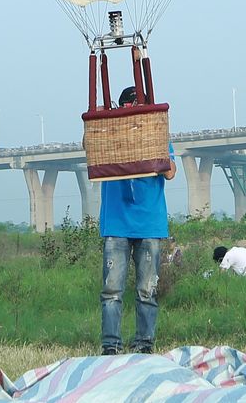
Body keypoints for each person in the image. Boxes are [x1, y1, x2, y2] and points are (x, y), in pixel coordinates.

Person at [98, 85, 175, 354]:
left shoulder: (155, 134)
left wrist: (155, 144)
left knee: (147, 290)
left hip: (149, 224)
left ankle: (144, 344)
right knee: (111, 290)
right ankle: (111, 345)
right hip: (117, 224)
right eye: (129, 106)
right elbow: (89, 145)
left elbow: (170, 171)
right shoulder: (108, 135)